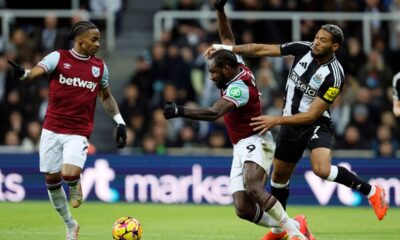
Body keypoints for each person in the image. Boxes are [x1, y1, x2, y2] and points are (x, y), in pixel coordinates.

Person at [206, 15, 389, 240]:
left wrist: (275, 120)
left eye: (323, 40)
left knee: (321, 169)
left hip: (314, 124)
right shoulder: (302, 49)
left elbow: (312, 114)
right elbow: (260, 48)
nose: (316, 42)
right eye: (316, 37)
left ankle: (372, 191)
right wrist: (226, 47)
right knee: (279, 179)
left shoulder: (335, 75)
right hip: (289, 124)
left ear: (335, 46)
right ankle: (278, 231)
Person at [164, 1, 313, 240]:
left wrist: (180, 111)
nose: (211, 77)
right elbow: (227, 39)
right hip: (240, 145)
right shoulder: (238, 65)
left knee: (254, 188)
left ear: (225, 69)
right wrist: (220, 10)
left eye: (213, 72)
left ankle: (296, 234)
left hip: (256, 139)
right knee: (243, 209)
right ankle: (294, 224)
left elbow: (214, 112)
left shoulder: (239, 89)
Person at [8, 21, 127, 240]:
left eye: (99, 39)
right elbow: (36, 72)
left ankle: (75, 184)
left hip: (78, 131)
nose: (98, 44)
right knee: (52, 182)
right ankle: (70, 224)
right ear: (80, 39)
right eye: (94, 39)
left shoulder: (99, 67)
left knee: (69, 173)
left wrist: (120, 122)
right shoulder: (58, 57)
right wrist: (23, 74)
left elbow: (106, 97)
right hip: (52, 129)